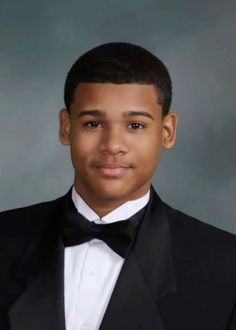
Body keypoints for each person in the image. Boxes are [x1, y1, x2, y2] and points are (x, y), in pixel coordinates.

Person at [0, 42, 236, 330]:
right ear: (66, 127)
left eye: (135, 125)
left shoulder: (226, 266)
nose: (112, 145)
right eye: (93, 124)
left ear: (167, 131)